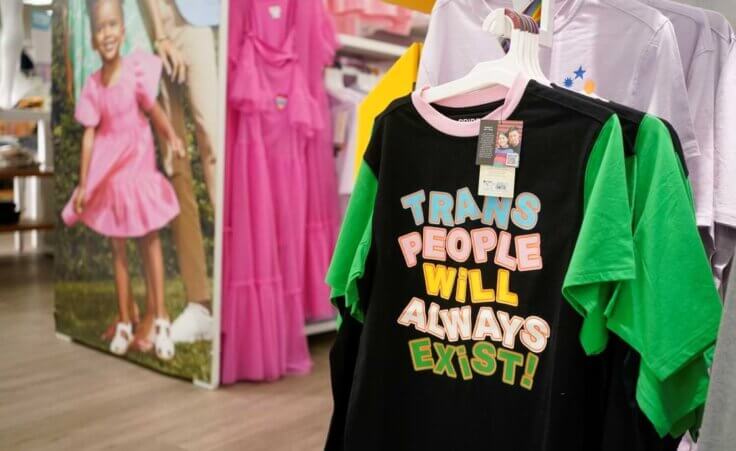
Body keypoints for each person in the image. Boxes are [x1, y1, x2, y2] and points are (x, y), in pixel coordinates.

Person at [61, 0, 184, 361]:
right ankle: (126, 319)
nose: (108, 33)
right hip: (112, 174)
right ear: (94, 41)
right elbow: (89, 135)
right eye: (101, 29)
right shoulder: (94, 85)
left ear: (123, 30)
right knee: (118, 249)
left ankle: (161, 317)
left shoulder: (136, 72)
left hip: (140, 168)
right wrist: (85, 184)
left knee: (150, 241)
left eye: (113, 25)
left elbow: (153, 109)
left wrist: (171, 136)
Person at [139, 0, 219, 343]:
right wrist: (159, 33)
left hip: (210, 17)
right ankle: (198, 302)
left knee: (215, 142)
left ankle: (236, 294)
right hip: (161, 19)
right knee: (177, 160)